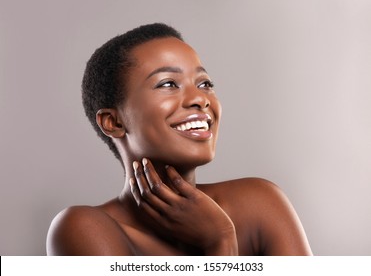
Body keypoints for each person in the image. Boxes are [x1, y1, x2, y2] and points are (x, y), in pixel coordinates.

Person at [46, 23, 312, 256]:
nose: (200, 98)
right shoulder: (83, 229)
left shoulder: (260, 204)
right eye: (168, 84)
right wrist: (220, 241)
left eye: (205, 83)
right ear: (114, 122)